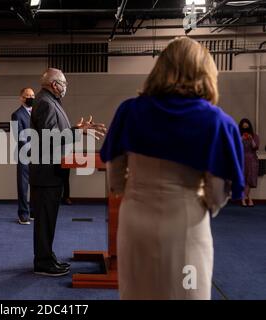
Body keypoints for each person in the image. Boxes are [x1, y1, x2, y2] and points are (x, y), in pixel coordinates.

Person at [100, 37, 244, 300]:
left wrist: (129, 192)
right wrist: (205, 204)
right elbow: (217, 191)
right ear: (205, 72)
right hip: (186, 221)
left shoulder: (130, 111)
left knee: (136, 292)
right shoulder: (214, 121)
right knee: (186, 292)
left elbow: (114, 172)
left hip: (135, 218)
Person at [30, 68, 106, 276]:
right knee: (45, 222)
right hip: (46, 173)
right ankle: (43, 263)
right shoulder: (45, 102)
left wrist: (75, 128)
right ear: (55, 84)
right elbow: (49, 137)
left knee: (49, 220)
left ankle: (47, 256)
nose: (65, 86)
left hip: (53, 172)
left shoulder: (50, 101)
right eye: (64, 82)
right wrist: (76, 131)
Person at [11, 87, 35, 225]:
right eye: (27, 95)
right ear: (21, 98)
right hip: (24, 154)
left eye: (32, 95)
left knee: (35, 185)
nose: (30, 97)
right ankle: (23, 214)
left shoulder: (37, 113)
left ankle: (32, 212)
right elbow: (19, 136)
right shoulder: (16, 115)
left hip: (38, 155)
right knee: (23, 186)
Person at [238, 118, 259, 207]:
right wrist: (241, 138)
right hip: (242, 159)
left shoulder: (255, 136)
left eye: (247, 124)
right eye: (243, 124)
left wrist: (251, 139)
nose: (245, 126)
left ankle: (244, 198)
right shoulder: (238, 135)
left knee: (249, 180)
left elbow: (255, 147)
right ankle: (248, 198)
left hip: (252, 159)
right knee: (243, 179)